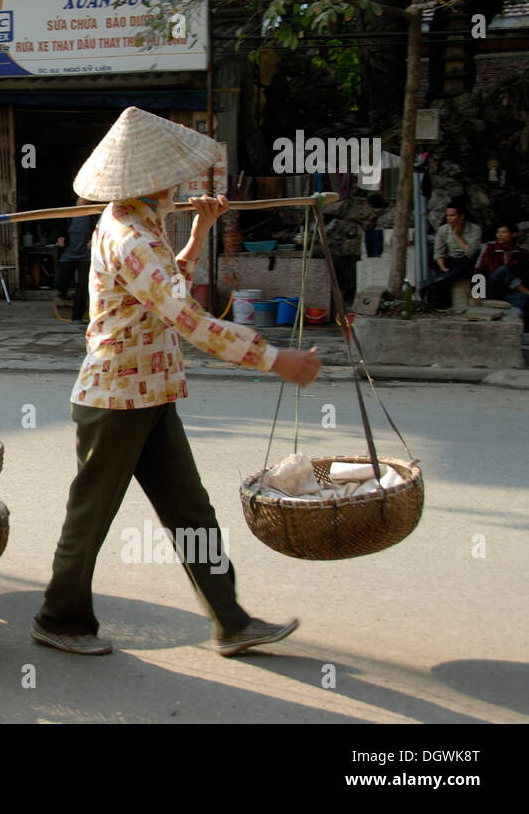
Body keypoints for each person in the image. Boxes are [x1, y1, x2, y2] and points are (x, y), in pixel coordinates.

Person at [32, 107, 321, 658]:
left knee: (191, 512)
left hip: (152, 393)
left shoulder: (144, 226)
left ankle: (231, 621)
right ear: (150, 182)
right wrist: (272, 357)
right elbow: (188, 320)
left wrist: (199, 233)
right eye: (173, 178)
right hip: (116, 398)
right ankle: (59, 619)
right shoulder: (130, 235)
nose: (181, 185)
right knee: (90, 516)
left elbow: (169, 294)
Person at [420, 196, 481, 309]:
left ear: (461, 216)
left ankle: (430, 282)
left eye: (452, 215)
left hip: (466, 262)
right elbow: (439, 252)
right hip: (450, 262)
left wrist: (456, 235)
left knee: (466, 266)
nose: (448, 218)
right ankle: (439, 307)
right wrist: (443, 268)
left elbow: (470, 253)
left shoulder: (475, 229)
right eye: (447, 215)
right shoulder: (443, 230)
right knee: (442, 276)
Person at [473, 218, 529, 322]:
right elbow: (479, 270)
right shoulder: (490, 248)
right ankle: (526, 291)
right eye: (498, 232)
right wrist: (477, 291)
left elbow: (524, 274)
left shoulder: (522, 253)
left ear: (514, 234)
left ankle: (511, 320)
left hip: (508, 291)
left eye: (504, 232)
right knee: (503, 270)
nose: (499, 235)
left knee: (522, 297)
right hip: (491, 288)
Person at [54, 196, 97, 323]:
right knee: (61, 281)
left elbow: (99, 230)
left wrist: (94, 239)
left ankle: (77, 316)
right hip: (69, 254)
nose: (86, 200)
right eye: (83, 198)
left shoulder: (93, 215)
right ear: (76, 199)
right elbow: (60, 229)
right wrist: (60, 237)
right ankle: (62, 292)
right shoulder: (69, 213)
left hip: (85, 255)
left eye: (89, 199)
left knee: (83, 286)